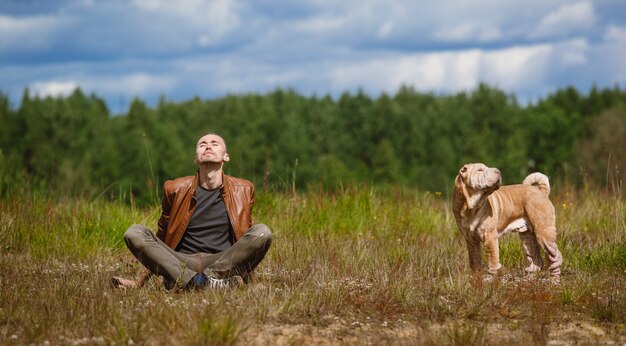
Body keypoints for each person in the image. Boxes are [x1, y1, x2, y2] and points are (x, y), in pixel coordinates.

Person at [112, 133, 272, 290]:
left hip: (222, 259)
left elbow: (244, 238)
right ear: (196, 158)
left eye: (215, 143)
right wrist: (140, 282)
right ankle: (206, 282)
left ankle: (194, 280)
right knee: (134, 233)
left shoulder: (244, 189)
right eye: (202, 144)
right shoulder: (174, 189)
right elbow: (162, 238)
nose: (208, 145)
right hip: (182, 260)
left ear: (226, 156)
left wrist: (252, 282)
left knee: (262, 232)